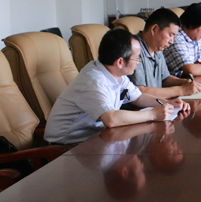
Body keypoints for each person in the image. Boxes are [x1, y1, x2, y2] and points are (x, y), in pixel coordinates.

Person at [44, 29, 179, 145]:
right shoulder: (93, 81)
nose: (138, 62)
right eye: (137, 58)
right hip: (68, 146)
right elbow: (111, 119)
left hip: (98, 137)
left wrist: (168, 103)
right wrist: (153, 114)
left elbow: (138, 97)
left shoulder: (116, 73)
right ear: (120, 62)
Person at [130, 8, 201, 100]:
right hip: (141, 107)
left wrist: (184, 82)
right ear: (154, 29)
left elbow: (165, 79)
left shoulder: (158, 48)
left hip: (158, 103)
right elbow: (139, 92)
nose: (171, 41)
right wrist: (181, 90)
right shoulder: (134, 49)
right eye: (170, 35)